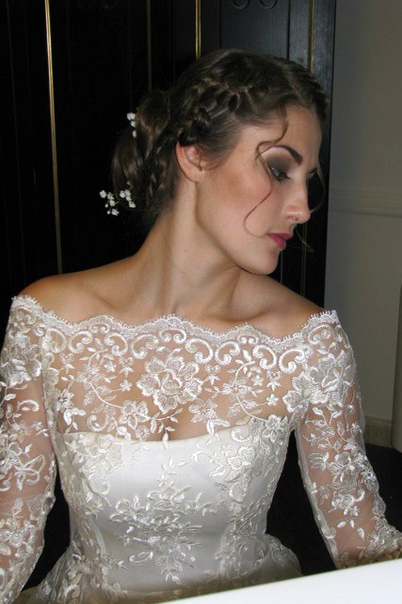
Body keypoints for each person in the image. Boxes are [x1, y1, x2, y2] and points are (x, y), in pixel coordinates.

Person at [0, 49, 401, 604]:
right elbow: (10, 536)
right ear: (193, 156)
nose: (303, 208)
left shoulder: (308, 343)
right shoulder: (46, 322)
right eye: (278, 169)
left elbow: (364, 544)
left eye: (308, 180)